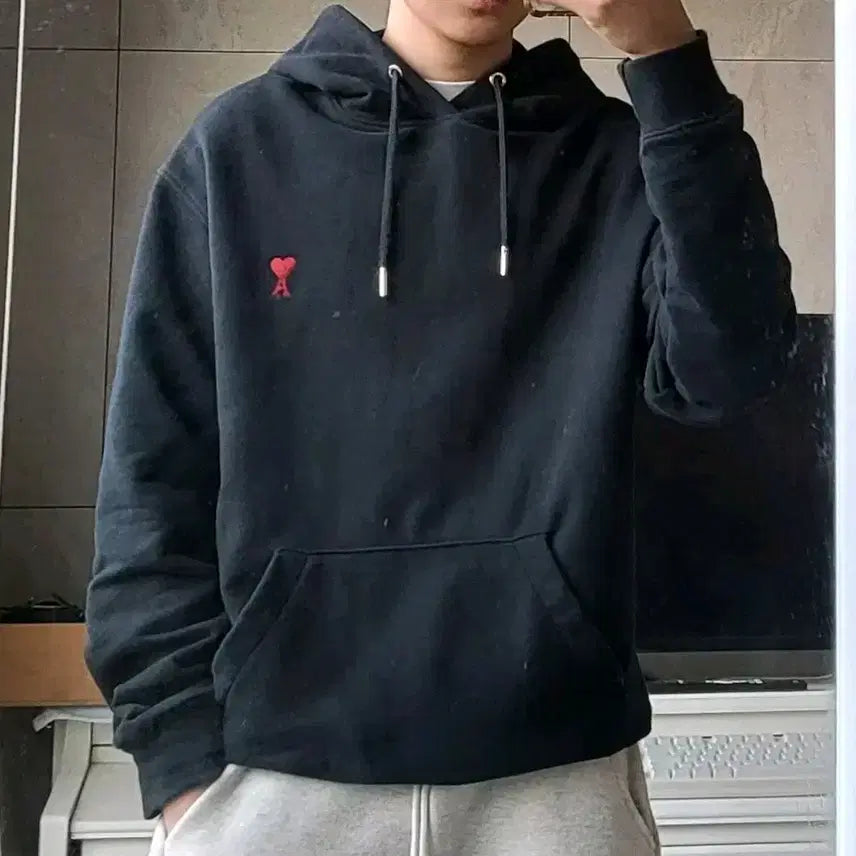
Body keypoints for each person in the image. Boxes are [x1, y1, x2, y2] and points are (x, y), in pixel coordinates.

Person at [85, 0, 796, 853]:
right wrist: (181, 768)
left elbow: (731, 375)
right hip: (273, 790)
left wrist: (666, 51)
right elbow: (152, 477)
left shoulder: (617, 155)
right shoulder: (236, 148)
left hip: (556, 785)